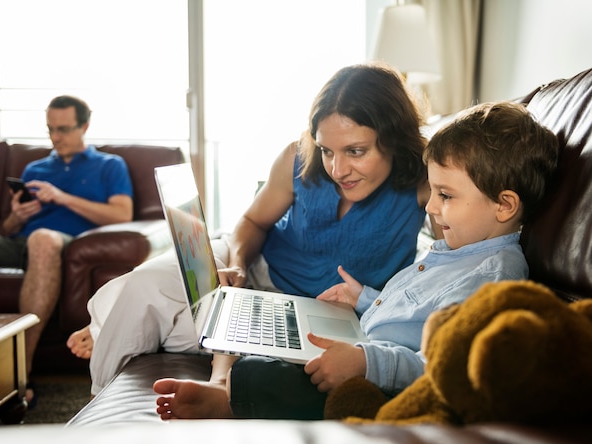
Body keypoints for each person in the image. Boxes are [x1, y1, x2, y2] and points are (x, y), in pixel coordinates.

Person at [153, 100, 560, 420]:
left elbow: (441, 365)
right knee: (280, 347)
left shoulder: (493, 277)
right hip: (363, 343)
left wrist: (367, 362)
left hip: (379, 379)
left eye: (446, 195)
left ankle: (227, 400)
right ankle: (231, 382)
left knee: (272, 377)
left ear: (505, 205)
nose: (431, 207)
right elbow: (413, 312)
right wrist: (363, 298)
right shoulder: (458, 252)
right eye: (433, 191)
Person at [67, 62, 438, 396]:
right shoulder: (298, 156)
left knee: (151, 319)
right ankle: (100, 404)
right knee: (143, 285)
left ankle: (105, 325)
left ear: (394, 139)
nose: (337, 170)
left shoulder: (426, 181)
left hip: (315, 312)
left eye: (355, 151)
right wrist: (240, 264)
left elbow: (455, 263)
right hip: (253, 268)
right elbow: (253, 221)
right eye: (327, 150)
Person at [0, 95, 134, 406]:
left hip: (64, 245)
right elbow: (6, 231)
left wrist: (61, 197)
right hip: (19, 243)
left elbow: (122, 215)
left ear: (84, 125)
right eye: (50, 129)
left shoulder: (110, 165)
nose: (56, 138)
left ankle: (20, 374)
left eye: (64, 129)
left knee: (43, 239)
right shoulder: (34, 168)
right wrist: (17, 216)